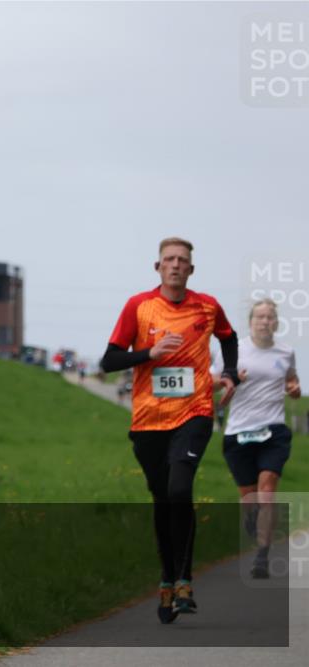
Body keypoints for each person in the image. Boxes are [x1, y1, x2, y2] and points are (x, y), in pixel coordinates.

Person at [100, 237, 240, 624]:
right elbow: (109, 359)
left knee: (181, 489)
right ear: (157, 267)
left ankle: (184, 581)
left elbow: (229, 338)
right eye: (169, 260)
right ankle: (167, 579)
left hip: (194, 413)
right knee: (164, 500)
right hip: (147, 419)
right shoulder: (138, 306)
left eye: (183, 260)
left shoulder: (208, 306)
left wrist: (228, 373)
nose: (176, 265)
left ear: (191, 270)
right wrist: (149, 354)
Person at [212, 299, 300, 578]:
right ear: (250, 322)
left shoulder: (286, 352)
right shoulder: (234, 351)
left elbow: (292, 381)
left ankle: (262, 555)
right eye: (260, 317)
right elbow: (210, 382)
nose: (264, 321)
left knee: (268, 488)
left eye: (270, 317)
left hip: (273, 430)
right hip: (238, 431)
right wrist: (231, 377)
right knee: (249, 498)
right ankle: (252, 519)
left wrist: (294, 388)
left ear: (276, 322)